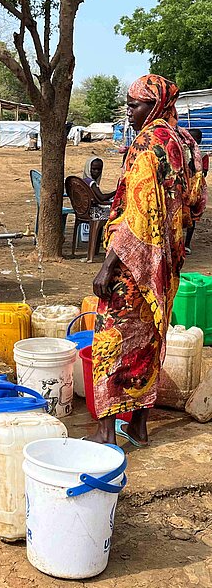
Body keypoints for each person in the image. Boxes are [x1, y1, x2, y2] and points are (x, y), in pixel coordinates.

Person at [88, 74, 206, 447]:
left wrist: (108, 264)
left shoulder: (147, 143)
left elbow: (136, 213)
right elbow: (198, 201)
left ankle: (107, 432)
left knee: (112, 337)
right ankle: (138, 426)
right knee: (150, 339)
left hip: (131, 264)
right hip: (168, 264)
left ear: (155, 105)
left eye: (135, 104)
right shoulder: (186, 143)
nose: (130, 112)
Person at [185, 128, 209, 254]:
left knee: (192, 216)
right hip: (182, 187)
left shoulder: (203, 154)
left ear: (199, 140)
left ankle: (187, 244)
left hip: (195, 188)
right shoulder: (181, 151)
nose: (190, 140)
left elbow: (203, 173)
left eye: (193, 138)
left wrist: (193, 163)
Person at [82, 156, 116, 220]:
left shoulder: (84, 181)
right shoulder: (91, 183)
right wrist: (116, 191)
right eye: (94, 169)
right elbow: (102, 197)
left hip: (83, 212)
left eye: (99, 169)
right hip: (93, 213)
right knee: (116, 214)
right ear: (88, 169)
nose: (97, 172)